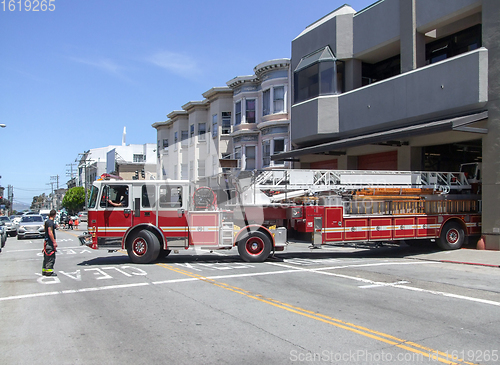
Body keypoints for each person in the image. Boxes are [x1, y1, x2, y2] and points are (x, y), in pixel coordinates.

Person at [42, 209, 58, 276]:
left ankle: (44, 270)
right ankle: (49, 272)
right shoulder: (50, 222)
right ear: (54, 215)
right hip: (50, 243)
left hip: (46, 242)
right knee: (51, 257)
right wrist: (54, 242)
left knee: (46, 258)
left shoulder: (47, 221)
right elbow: (50, 232)